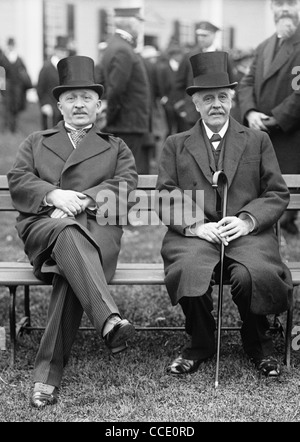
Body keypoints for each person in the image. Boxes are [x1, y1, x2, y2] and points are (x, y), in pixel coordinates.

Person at [7, 55, 138, 408]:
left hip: (97, 234)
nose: (79, 104)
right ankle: (108, 319)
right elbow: (18, 179)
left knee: (70, 256)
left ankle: (46, 378)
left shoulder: (116, 146)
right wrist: (52, 194)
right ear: (59, 104)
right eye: (71, 98)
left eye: (86, 98)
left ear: (99, 104)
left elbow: (125, 187)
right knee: (64, 231)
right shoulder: (36, 141)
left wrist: (84, 199)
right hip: (44, 229)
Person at [155, 51, 293, 378]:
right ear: (196, 105)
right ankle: (201, 342)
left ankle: (257, 341)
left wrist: (246, 220)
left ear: (232, 101)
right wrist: (196, 226)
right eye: (207, 98)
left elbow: (276, 192)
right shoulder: (176, 144)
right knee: (189, 270)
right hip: (196, 235)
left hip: (248, 235)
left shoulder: (257, 140)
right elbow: (165, 193)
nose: (216, 104)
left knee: (251, 275)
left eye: (222, 97)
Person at [238, 0, 300, 234]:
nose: (285, 8)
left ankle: (285, 224)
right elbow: (246, 84)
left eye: (291, 3)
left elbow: (299, 92)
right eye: (279, 3)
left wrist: (274, 119)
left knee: (288, 190)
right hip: (263, 134)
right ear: (271, 9)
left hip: (290, 135)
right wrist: (250, 112)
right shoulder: (264, 46)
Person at [101, 7, 152, 174]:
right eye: (139, 23)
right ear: (131, 24)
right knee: (128, 172)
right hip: (127, 124)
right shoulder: (122, 49)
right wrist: (111, 117)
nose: (140, 28)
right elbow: (116, 89)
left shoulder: (118, 45)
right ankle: (127, 201)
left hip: (126, 123)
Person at [173, 21, 236, 132]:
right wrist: (182, 108)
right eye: (199, 35)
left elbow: (232, 82)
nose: (201, 39)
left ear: (214, 35)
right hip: (192, 113)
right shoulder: (189, 56)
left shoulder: (224, 56)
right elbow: (179, 83)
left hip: (217, 112)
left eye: (205, 35)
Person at [36, 36, 70, 130]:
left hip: (64, 109)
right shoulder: (46, 67)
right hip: (50, 108)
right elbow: (40, 88)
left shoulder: (67, 67)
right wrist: (44, 104)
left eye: (65, 51)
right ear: (56, 51)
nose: (64, 53)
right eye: (61, 50)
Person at [2, 37, 32, 132]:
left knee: (16, 105)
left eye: (12, 45)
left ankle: (14, 124)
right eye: (10, 45)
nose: (11, 46)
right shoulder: (3, 58)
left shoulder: (19, 58)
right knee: (7, 105)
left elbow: (24, 71)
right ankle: (8, 126)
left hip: (17, 86)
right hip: (7, 85)